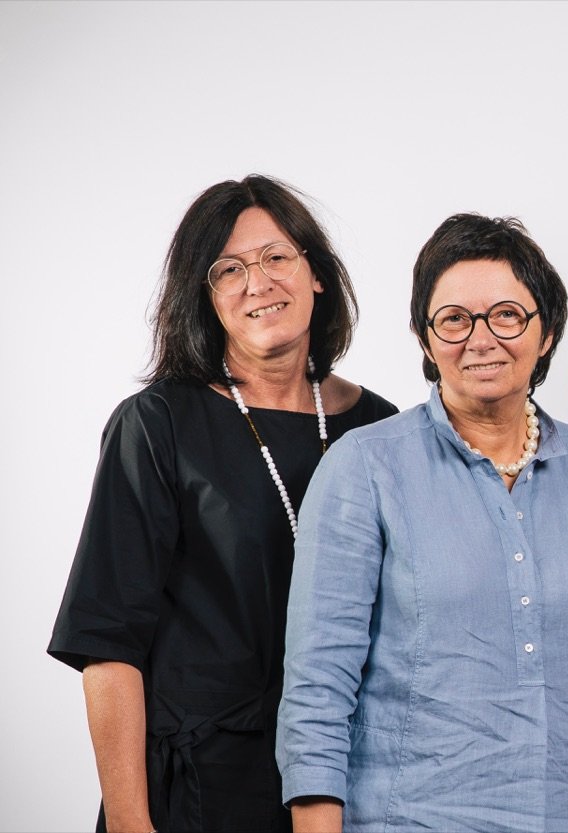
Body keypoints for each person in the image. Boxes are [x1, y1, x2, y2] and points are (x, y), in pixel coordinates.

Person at [47, 175, 397, 833]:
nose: (256, 282)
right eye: (228, 269)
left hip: (340, 787)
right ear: (204, 298)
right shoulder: (157, 425)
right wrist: (129, 822)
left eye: (275, 257)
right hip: (195, 793)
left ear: (316, 274)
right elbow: (109, 645)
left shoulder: (381, 429)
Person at [276, 213, 568, 832]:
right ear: (426, 337)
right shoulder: (364, 466)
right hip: (412, 817)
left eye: (507, 315)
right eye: (455, 319)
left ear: (545, 332)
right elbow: (317, 688)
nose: (482, 339)